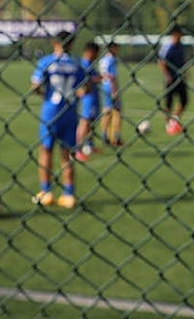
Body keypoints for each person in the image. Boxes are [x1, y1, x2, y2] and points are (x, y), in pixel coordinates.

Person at [30, 30, 87, 209]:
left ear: (55, 43)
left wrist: (43, 94)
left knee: (46, 150)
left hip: (50, 111)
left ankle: (46, 192)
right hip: (70, 112)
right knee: (67, 154)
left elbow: (35, 85)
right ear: (71, 44)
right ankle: (69, 194)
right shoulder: (77, 63)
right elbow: (85, 88)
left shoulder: (46, 62)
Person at [157, 25, 188, 135]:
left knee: (184, 100)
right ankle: (169, 124)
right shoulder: (168, 46)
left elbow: (183, 60)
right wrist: (167, 75)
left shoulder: (181, 46)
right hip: (171, 78)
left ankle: (174, 120)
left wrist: (185, 71)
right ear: (175, 34)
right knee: (168, 103)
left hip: (180, 77)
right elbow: (161, 61)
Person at [74, 40, 101, 162]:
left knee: (91, 122)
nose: (97, 56)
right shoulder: (83, 64)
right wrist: (97, 78)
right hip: (87, 98)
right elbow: (85, 80)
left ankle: (89, 145)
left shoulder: (90, 64)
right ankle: (77, 149)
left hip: (93, 96)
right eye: (96, 53)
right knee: (85, 122)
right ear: (90, 52)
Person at [98, 40, 124, 147]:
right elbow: (112, 77)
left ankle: (104, 135)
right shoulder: (112, 60)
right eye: (117, 48)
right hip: (111, 87)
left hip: (104, 86)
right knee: (117, 111)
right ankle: (116, 137)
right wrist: (114, 91)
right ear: (112, 48)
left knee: (106, 111)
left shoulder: (103, 59)